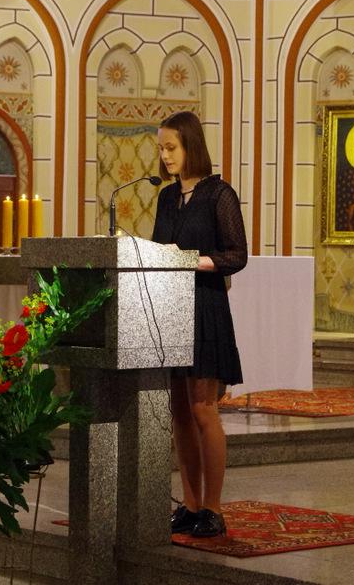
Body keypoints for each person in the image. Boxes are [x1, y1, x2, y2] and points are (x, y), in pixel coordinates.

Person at [150, 111, 247, 538]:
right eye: (161, 149)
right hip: (172, 309)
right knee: (179, 413)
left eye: (171, 147)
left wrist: (192, 260)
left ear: (191, 145)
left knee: (203, 408)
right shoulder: (167, 198)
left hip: (205, 306)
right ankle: (189, 506)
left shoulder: (219, 194)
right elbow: (158, 250)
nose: (166, 156)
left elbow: (237, 255)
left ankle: (213, 509)